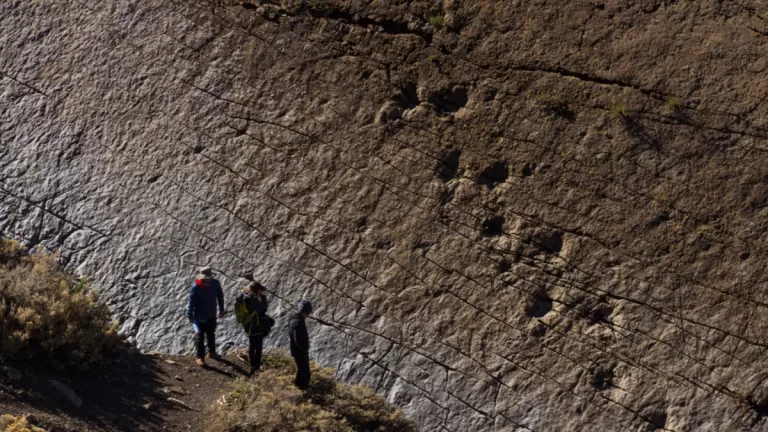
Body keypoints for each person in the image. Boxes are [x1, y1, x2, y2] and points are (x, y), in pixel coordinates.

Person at [186, 266, 225, 367]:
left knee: (211, 333)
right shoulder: (196, 287)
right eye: (205, 279)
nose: (207, 280)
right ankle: (200, 357)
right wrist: (189, 314)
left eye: (208, 278)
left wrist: (221, 309)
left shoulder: (215, 283)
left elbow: (220, 296)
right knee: (200, 337)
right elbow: (191, 302)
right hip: (199, 316)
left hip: (211, 314)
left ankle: (212, 352)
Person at [235, 281, 270, 376]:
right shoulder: (252, 300)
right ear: (257, 290)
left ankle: (253, 366)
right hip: (255, 326)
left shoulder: (242, 295)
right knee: (258, 347)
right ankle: (256, 367)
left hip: (247, 325)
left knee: (252, 345)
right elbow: (263, 308)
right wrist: (263, 296)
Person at [289, 299, 312, 390]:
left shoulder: (293, 319)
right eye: (308, 312)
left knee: (301, 370)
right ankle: (302, 390)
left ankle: (297, 387)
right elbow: (299, 339)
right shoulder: (298, 323)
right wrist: (304, 351)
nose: (308, 315)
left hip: (295, 350)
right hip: (300, 352)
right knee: (305, 372)